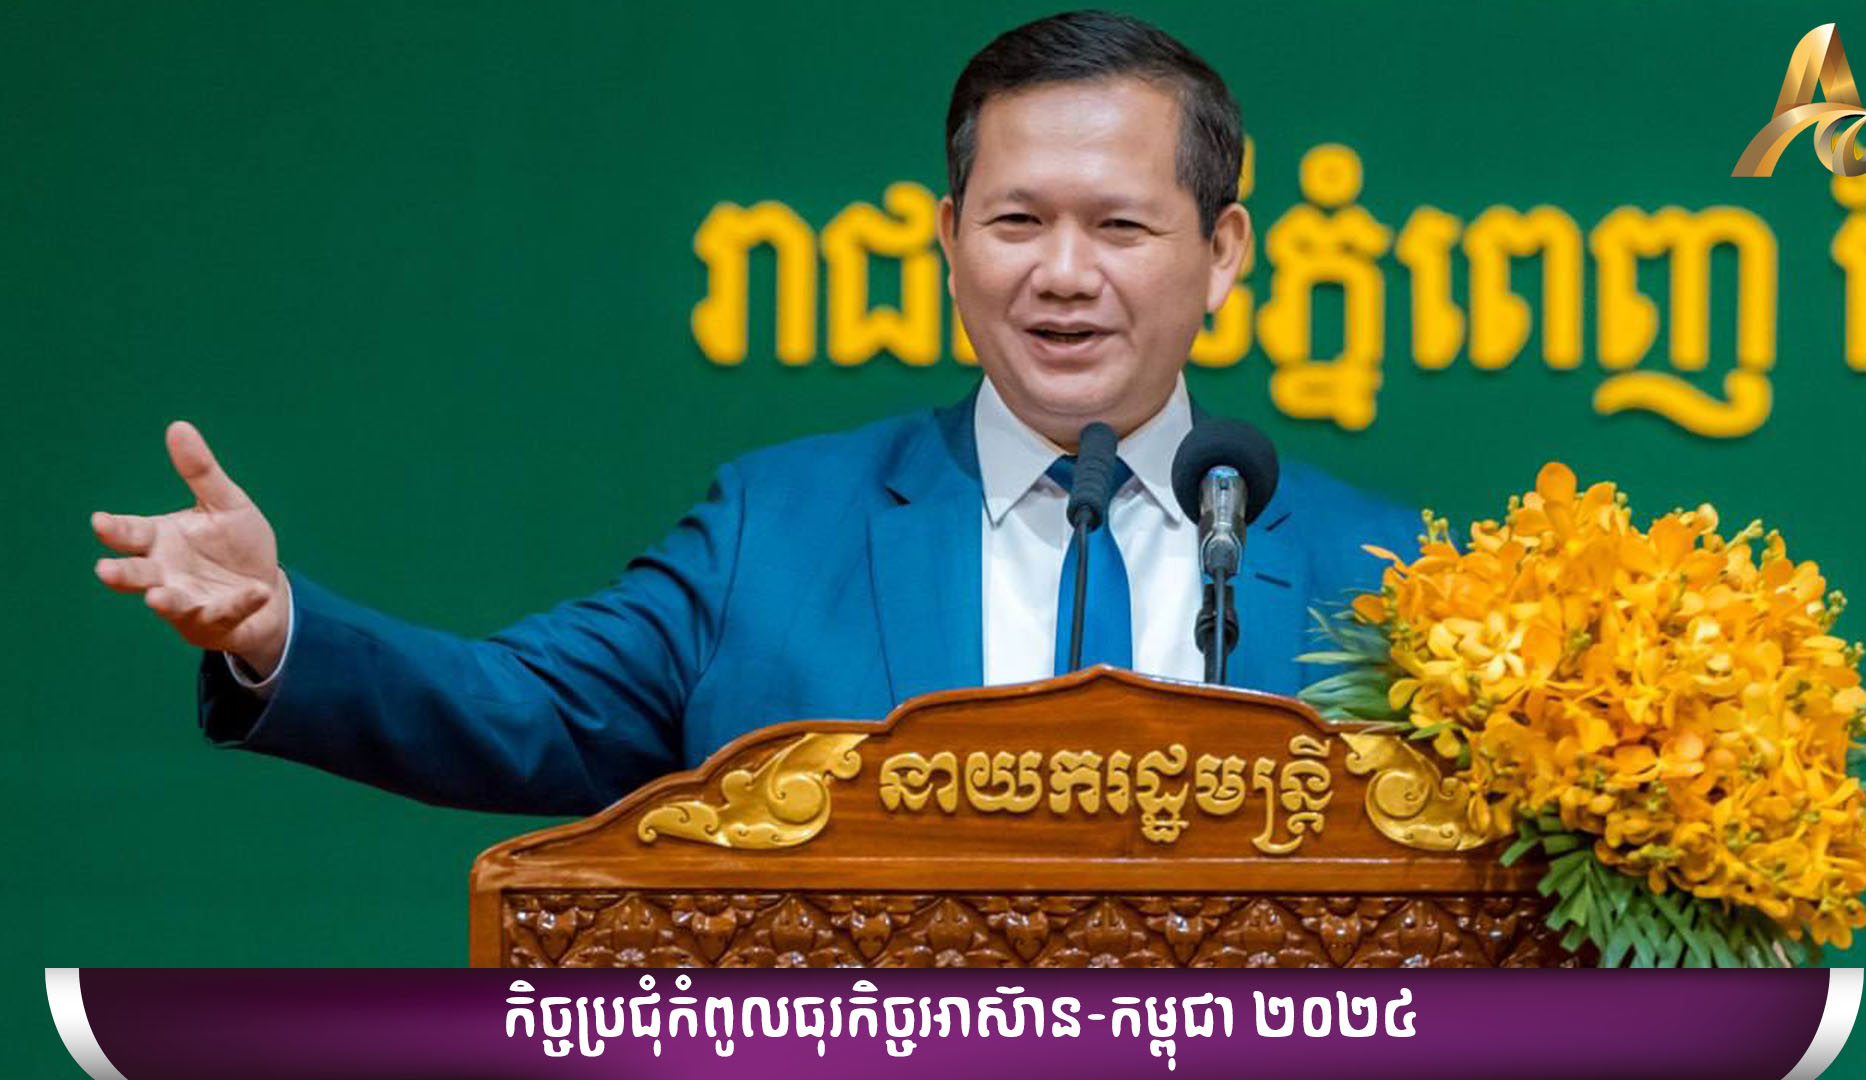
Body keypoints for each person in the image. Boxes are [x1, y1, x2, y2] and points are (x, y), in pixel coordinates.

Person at [90, 11, 1420, 816]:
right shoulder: (774, 530)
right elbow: (523, 709)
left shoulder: (1383, 580)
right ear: (950, 240)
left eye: (1120, 227)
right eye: (1018, 222)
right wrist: (282, 630)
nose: (1062, 274)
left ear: (1222, 253)